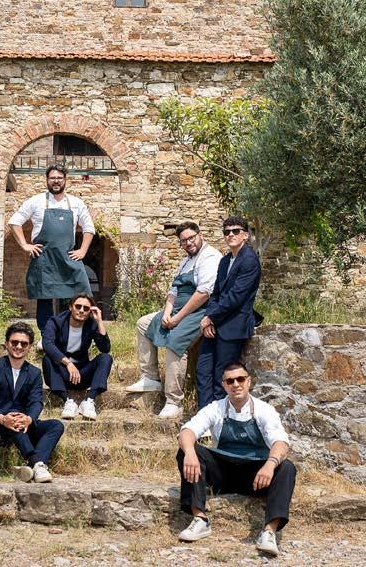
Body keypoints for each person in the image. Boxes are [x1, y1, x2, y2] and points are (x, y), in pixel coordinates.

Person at [176, 362, 295, 556]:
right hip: (223, 474)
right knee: (186, 450)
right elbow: (187, 431)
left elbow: (281, 442)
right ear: (224, 385)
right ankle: (200, 519)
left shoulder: (264, 410)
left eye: (240, 379)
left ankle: (269, 532)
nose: (236, 384)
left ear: (249, 382)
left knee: (287, 467)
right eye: (230, 381)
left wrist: (270, 464)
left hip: (256, 477)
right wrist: (190, 452)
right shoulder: (216, 408)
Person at [127, 221, 222, 419]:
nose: (188, 243)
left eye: (191, 238)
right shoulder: (185, 261)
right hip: (177, 309)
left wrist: (177, 318)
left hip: (199, 311)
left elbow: (203, 293)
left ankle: (173, 402)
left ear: (200, 235)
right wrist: (167, 313)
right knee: (143, 323)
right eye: (183, 240)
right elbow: (173, 290)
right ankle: (151, 377)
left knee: (175, 342)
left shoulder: (210, 257)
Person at [8, 164, 95, 332]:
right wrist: (25, 245)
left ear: (65, 180)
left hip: (68, 257)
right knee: (44, 299)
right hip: (44, 258)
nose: (56, 181)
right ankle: (46, 335)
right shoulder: (36, 201)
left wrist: (83, 250)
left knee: (77, 294)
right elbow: (14, 222)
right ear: (47, 180)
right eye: (52, 178)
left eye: (59, 178)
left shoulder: (76, 203)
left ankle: (72, 333)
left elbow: (89, 228)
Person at [0, 322, 65, 483]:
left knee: (56, 425)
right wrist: (2, 418)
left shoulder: (34, 373)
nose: (18, 346)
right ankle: (37, 463)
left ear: (30, 346)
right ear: (6, 343)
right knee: (14, 418)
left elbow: (36, 402)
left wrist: (29, 419)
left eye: (23, 343)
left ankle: (31, 467)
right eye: (14, 342)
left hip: (21, 427)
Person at [197, 216, 262, 410]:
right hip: (214, 324)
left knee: (222, 376)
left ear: (245, 235)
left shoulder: (250, 260)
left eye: (235, 231)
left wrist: (211, 317)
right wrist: (209, 319)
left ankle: (220, 418)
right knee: (203, 371)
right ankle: (205, 416)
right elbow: (216, 293)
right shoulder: (225, 261)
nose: (230, 235)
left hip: (234, 325)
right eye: (227, 232)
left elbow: (236, 297)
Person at [41, 293, 112, 421]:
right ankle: (68, 401)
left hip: (82, 374)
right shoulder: (56, 322)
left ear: (90, 311)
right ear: (70, 307)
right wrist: (68, 363)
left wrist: (99, 321)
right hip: (62, 373)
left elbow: (105, 348)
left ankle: (89, 401)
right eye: (78, 306)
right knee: (48, 358)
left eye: (86, 308)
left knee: (105, 358)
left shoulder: (91, 323)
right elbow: (47, 344)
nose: (81, 310)